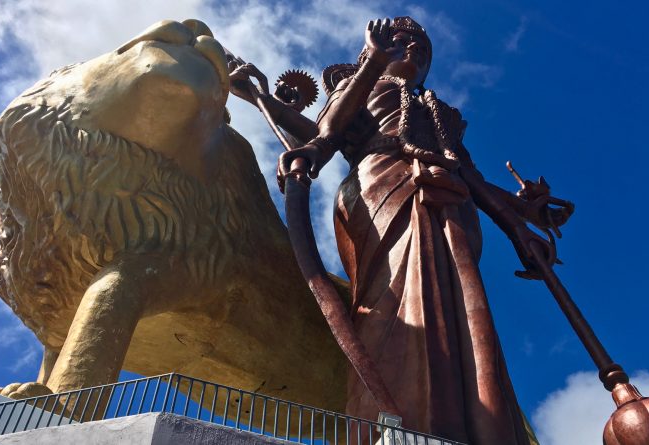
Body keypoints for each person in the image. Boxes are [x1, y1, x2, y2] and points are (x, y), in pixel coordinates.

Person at [230, 16, 570, 445]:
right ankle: (393, 426)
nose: (413, 50)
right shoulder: (364, 83)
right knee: (393, 302)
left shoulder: (435, 109)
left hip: (451, 199)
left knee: (467, 314)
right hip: (382, 188)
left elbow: (472, 175)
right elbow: (328, 130)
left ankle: (484, 431)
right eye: (401, 41)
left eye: (422, 48)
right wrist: (370, 64)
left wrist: (521, 221)